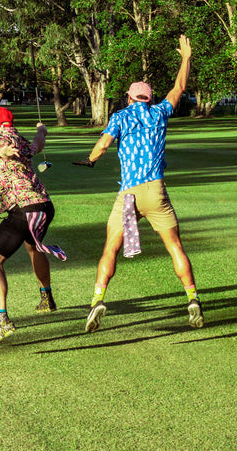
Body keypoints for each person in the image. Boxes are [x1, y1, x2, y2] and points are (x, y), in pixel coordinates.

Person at [74, 34, 203, 333]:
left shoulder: (120, 116)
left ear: (130, 98)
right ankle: (193, 299)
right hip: (156, 192)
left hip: (129, 193)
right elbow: (180, 88)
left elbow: (103, 145)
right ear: (150, 99)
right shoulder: (159, 113)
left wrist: (90, 159)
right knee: (175, 247)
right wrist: (185, 58)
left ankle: (97, 300)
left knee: (110, 248)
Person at [0, 106, 66, 348]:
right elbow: (38, 144)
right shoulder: (21, 138)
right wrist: (42, 130)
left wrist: (5, 150)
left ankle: (1, 320)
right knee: (33, 247)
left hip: (24, 208)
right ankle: (46, 298)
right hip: (43, 206)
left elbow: (3, 147)